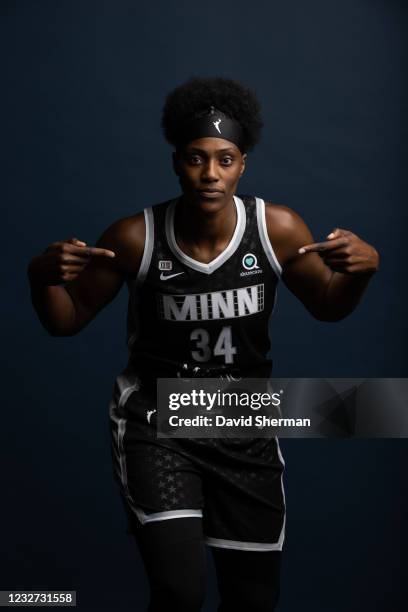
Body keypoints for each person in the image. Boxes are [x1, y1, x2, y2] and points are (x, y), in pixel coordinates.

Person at [28, 77, 379, 612]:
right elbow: (67, 319)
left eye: (225, 159)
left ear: (243, 165)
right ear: (176, 162)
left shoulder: (277, 229)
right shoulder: (135, 237)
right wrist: (41, 277)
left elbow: (329, 307)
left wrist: (361, 272)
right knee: (178, 592)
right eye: (196, 158)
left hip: (244, 424)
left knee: (253, 599)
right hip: (158, 424)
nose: (210, 174)